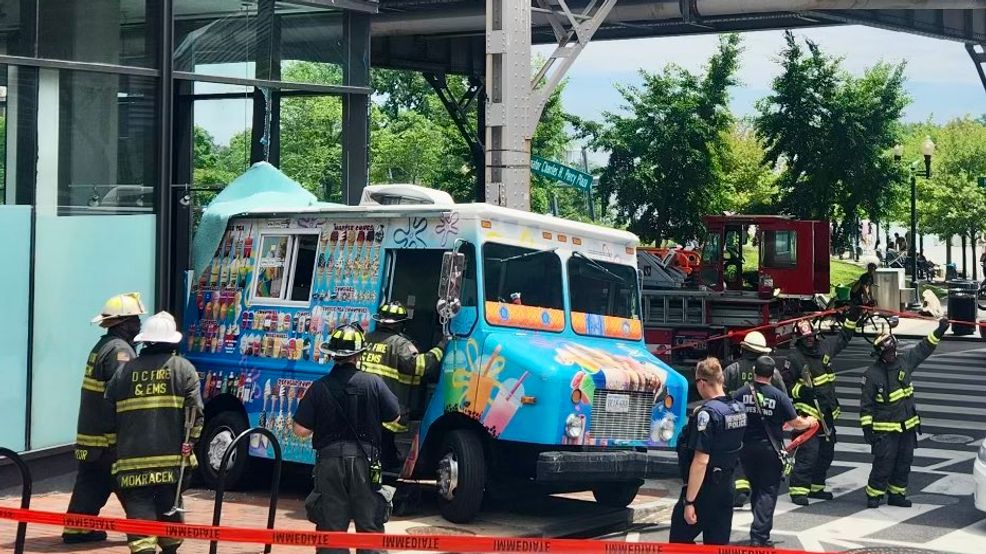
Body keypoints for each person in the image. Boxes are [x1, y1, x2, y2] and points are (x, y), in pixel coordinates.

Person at [294, 323, 400, 554]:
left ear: (332, 355)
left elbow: (300, 429)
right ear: (359, 355)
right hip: (366, 463)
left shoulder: (319, 388)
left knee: (331, 531)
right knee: (370, 528)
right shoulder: (373, 383)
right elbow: (395, 414)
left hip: (329, 464)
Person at [105, 312, 204, 554]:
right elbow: (195, 413)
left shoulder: (124, 372)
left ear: (145, 341)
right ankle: (170, 549)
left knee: (139, 507)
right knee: (169, 505)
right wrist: (190, 441)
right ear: (173, 341)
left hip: (132, 461)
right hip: (171, 462)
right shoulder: (184, 369)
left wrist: (114, 446)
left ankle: (143, 549)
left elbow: (109, 411)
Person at [62, 292, 146, 544]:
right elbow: (122, 396)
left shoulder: (103, 346)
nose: (139, 325)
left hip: (91, 436)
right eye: (135, 320)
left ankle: (77, 529)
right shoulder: (121, 352)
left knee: (91, 481)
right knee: (131, 484)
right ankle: (145, 533)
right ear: (122, 323)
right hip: (108, 438)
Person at [861, 318, 949, 508]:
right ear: (881, 354)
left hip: (907, 428)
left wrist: (940, 331)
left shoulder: (905, 362)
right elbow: (866, 406)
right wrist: (868, 430)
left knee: (904, 462)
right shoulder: (872, 375)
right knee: (884, 463)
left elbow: (923, 348)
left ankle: (897, 495)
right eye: (889, 352)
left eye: (894, 350)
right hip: (885, 431)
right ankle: (874, 494)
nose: (893, 354)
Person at [734, 356, 818, 546]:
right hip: (770, 450)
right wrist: (811, 422)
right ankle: (759, 536)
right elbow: (796, 422)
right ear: (772, 375)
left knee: (756, 489)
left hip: (745, 449)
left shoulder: (740, 393)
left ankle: (758, 528)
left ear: (755, 371)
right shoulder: (778, 396)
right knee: (767, 491)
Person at [782, 307, 860, 505]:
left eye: (812, 337)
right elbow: (786, 386)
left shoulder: (824, 348)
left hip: (827, 412)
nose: (810, 340)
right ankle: (799, 490)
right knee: (808, 453)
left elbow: (843, 339)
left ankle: (817, 487)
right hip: (809, 416)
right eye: (805, 338)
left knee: (826, 453)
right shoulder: (794, 359)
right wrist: (803, 391)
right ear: (799, 340)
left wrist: (852, 318)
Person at [669, 357, 747, 546]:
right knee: (717, 545)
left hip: (704, 489)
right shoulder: (738, 409)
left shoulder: (706, 414)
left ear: (702, 383)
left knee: (678, 543)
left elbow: (701, 461)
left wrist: (689, 502)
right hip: (727, 488)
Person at [361, 301, 446, 471]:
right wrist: (440, 348)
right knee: (383, 450)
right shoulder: (400, 344)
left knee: (374, 446)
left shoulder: (366, 340)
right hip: (386, 407)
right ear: (401, 324)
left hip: (364, 405)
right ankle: (378, 486)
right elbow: (419, 366)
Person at [722, 331, 786, 508]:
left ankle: (740, 488)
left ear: (744, 348)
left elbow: (721, 395)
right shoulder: (772, 372)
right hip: (765, 426)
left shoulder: (732, 370)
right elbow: (782, 396)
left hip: (737, 422)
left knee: (737, 455)